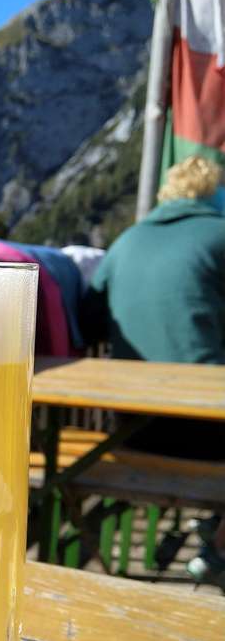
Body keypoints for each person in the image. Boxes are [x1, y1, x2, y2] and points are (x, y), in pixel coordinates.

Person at [81, 155, 225, 584]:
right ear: (213, 194)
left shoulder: (125, 242)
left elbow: (89, 322)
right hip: (209, 435)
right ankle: (218, 550)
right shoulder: (220, 235)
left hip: (129, 433)